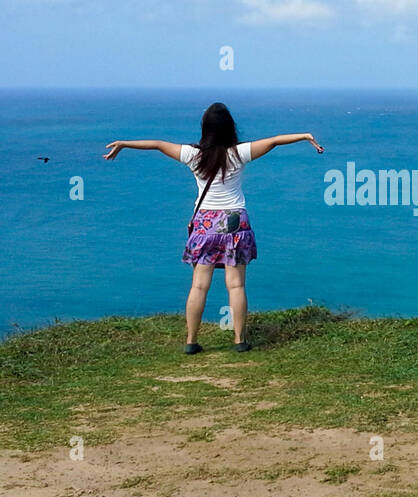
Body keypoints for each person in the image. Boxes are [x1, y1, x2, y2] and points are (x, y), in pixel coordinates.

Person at [104, 103, 323, 354]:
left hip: (205, 223)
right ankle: (240, 340)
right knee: (236, 285)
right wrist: (305, 136)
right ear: (230, 128)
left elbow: (157, 144)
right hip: (234, 222)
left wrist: (123, 143)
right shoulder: (238, 153)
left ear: (204, 129)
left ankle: (191, 341)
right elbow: (273, 141)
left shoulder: (192, 155)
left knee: (199, 285)